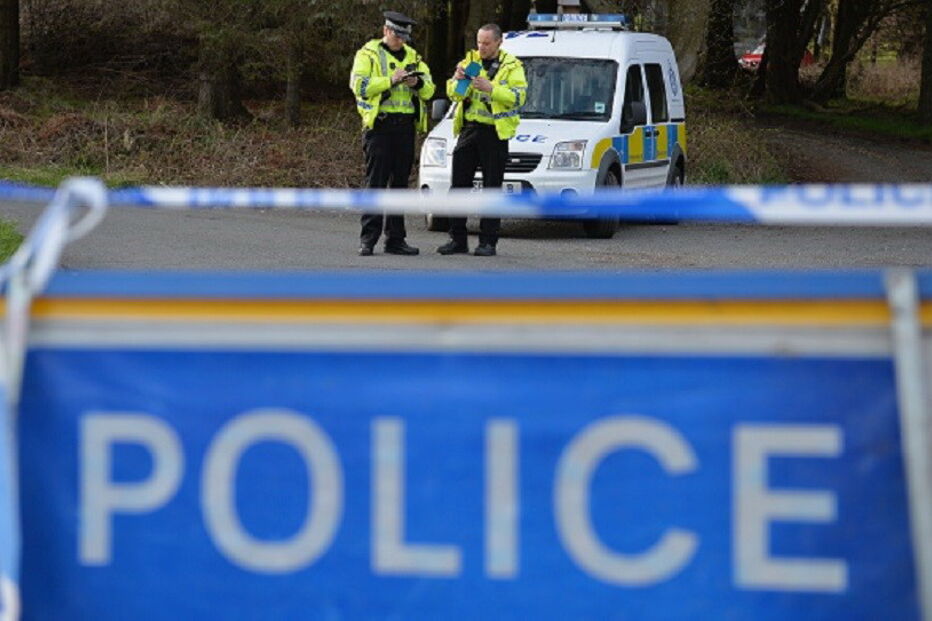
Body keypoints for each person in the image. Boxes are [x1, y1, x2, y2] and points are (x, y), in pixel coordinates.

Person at [349, 11, 435, 256]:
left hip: (405, 128)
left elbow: (429, 90)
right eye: (398, 35)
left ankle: (395, 239)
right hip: (380, 127)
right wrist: (390, 80)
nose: (402, 41)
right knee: (375, 184)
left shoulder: (414, 57)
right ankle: (368, 240)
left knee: (399, 185)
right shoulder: (368, 54)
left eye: (405, 37)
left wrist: (415, 83)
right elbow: (359, 86)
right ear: (387, 31)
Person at [438, 23, 527, 257]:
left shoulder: (511, 66)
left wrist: (492, 88)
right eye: (479, 42)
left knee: (491, 189)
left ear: (499, 42)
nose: (482, 47)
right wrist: (459, 80)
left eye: (486, 43)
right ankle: (457, 239)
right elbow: (454, 94)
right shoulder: (471, 62)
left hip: (494, 133)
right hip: (469, 130)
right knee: (458, 186)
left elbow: (518, 97)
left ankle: (488, 242)